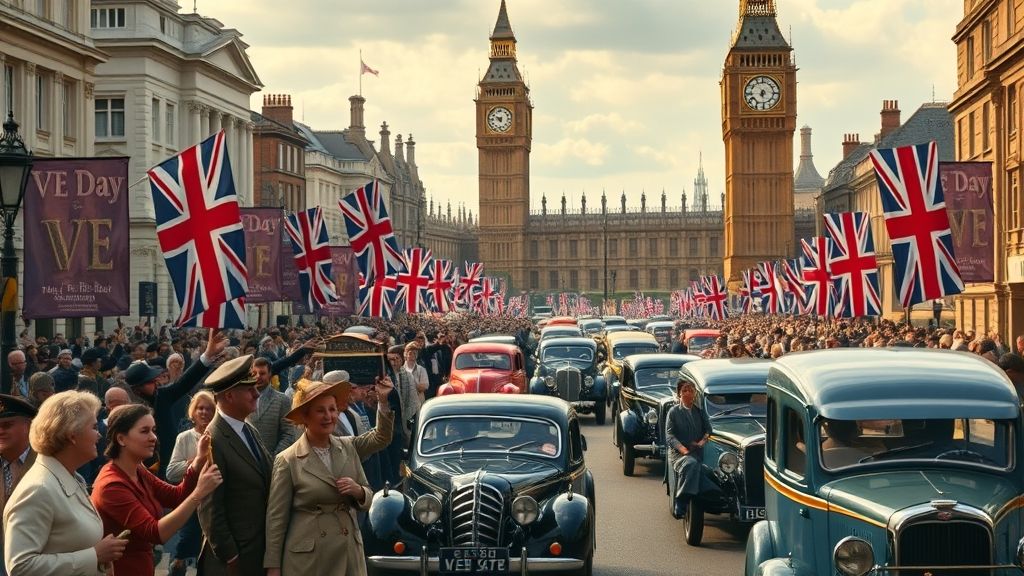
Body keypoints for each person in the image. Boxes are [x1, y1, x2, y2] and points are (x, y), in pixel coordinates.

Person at [264, 376, 391, 575]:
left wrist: (358, 491)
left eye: (332, 410)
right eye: (320, 410)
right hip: (310, 561)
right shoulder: (288, 460)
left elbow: (380, 440)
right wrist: (273, 566)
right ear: (305, 417)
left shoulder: (348, 447)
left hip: (349, 554)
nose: (328, 416)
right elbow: (276, 519)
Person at [3, 390, 127, 575]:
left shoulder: (71, 478)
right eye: (93, 427)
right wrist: (94, 556)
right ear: (72, 435)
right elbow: (21, 566)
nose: (99, 435)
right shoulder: (38, 489)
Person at [90, 404, 222, 575]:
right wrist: (199, 493)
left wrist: (198, 462)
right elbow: (155, 533)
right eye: (145, 431)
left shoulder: (138, 469)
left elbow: (175, 496)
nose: (154, 437)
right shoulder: (112, 485)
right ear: (121, 439)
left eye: (153, 430)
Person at [197, 354, 273, 576]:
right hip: (232, 561)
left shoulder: (247, 429)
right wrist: (230, 555)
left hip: (254, 552)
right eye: (249, 390)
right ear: (229, 396)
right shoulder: (214, 440)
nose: (256, 394)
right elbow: (209, 508)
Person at [124, 328, 226, 476]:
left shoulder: (162, 397)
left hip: (170, 472)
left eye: (154, 377)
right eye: (150, 381)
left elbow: (184, 383)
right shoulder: (130, 412)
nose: (156, 381)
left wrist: (208, 355)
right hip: (143, 473)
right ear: (136, 389)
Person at [165, 391, 216, 576]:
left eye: (209, 409)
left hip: (215, 501)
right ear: (193, 412)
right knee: (184, 546)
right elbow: (171, 473)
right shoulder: (185, 438)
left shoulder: (220, 436)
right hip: (191, 500)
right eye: (200, 408)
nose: (204, 412)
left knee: (210, 550)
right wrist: (195, 461)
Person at [0, 394, 37, 576]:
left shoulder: (49, 464)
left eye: (7, 425)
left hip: (36, 561)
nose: (0, 431)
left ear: (28, 426)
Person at [665, 379, 711, 519]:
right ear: (679, 394)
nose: (688, 393)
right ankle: (681, 500)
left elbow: (708, 430)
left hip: (697, 452)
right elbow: (670, 436)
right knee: (691, 464)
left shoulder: (699, 412)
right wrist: (683, 449)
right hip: (679, 455)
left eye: (691, 390)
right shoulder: (673, 412)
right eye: (684, 390)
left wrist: (703, 441)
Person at [246, 357, 299, 457]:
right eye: (254, 373)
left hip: (273, 461)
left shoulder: (282, 400)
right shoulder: (243, 399)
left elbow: (289, 434)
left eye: (262, 373)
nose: (257, 377)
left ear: (270, 374)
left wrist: (274, 458)